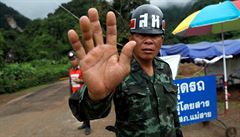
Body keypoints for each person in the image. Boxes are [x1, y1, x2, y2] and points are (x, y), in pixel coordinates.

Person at [68, 4, 183, 137]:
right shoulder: (117, 72)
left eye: (155, 35)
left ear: (162, 40)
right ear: (131, 39)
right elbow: (84, 112)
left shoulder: (165, 69)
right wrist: (95, 97)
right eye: (142, 35)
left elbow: (173, 114)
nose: (148, 41)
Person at [68, 51, 91, 135]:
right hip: (75, 94)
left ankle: (88, 126)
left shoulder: (82, 69)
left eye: (74, 59)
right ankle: (84, 124)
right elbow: (70, 83)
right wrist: (71, 94)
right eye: (71, 60)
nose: (72, 61)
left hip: (82, 93)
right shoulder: (70, 71)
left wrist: (80, 81)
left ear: (77, 59)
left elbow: (88, 81)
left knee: (85, 110)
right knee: (80, 110)